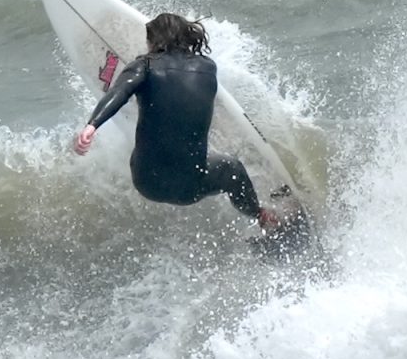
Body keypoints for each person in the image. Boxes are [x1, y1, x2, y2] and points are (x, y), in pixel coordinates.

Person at [73, 13, 278, 233]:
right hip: (190, 189)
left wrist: (92, 125)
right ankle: (259, 214)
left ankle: (143, 100)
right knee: (232, 168)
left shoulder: (144, 65)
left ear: (155, 41)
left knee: (146, 125)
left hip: (146, 182)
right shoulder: (208, 68)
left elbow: (119, 92)